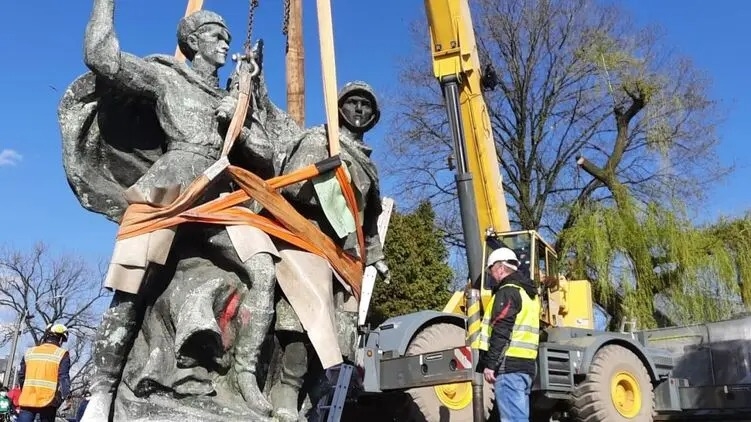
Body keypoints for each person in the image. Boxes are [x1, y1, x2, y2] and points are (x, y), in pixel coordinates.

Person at [477, 248, 541, 421]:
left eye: (491, 271)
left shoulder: (507, 292)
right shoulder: (529, 296)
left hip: (508, 367)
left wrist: (491, 364)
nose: (491, 276)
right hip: (526, 367)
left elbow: (502, 329)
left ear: (500, 268)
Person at [16, 324, 72, 422]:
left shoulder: (29, 352)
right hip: (48, 401)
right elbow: (64, 377)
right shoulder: (62, 354)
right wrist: (67, 397)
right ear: (60, 339)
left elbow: (21, 376)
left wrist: (24, 390)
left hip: (28, 398)